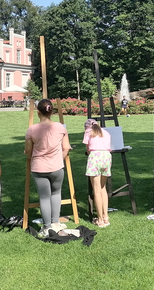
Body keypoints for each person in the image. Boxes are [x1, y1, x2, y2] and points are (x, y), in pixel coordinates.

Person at [25, 99, 71, 236]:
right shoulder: (60, 127)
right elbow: (66, 148)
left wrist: (32, 156)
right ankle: (55, 223)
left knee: (44, 197)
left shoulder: (32, 129)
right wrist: (58, 160)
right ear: (52, 112)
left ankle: (46, 227)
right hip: (56, 167)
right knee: (56, 193)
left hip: (39, 167)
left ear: (38, 112)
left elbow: (28, 152)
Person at [82, 119, 112, 227]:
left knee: (96, 190)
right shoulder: (106, 133)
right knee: (103, 188)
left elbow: (88, 148)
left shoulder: (88, 132)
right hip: (107, 157)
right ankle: (106, 217)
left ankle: (99, 220)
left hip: (95, 158)